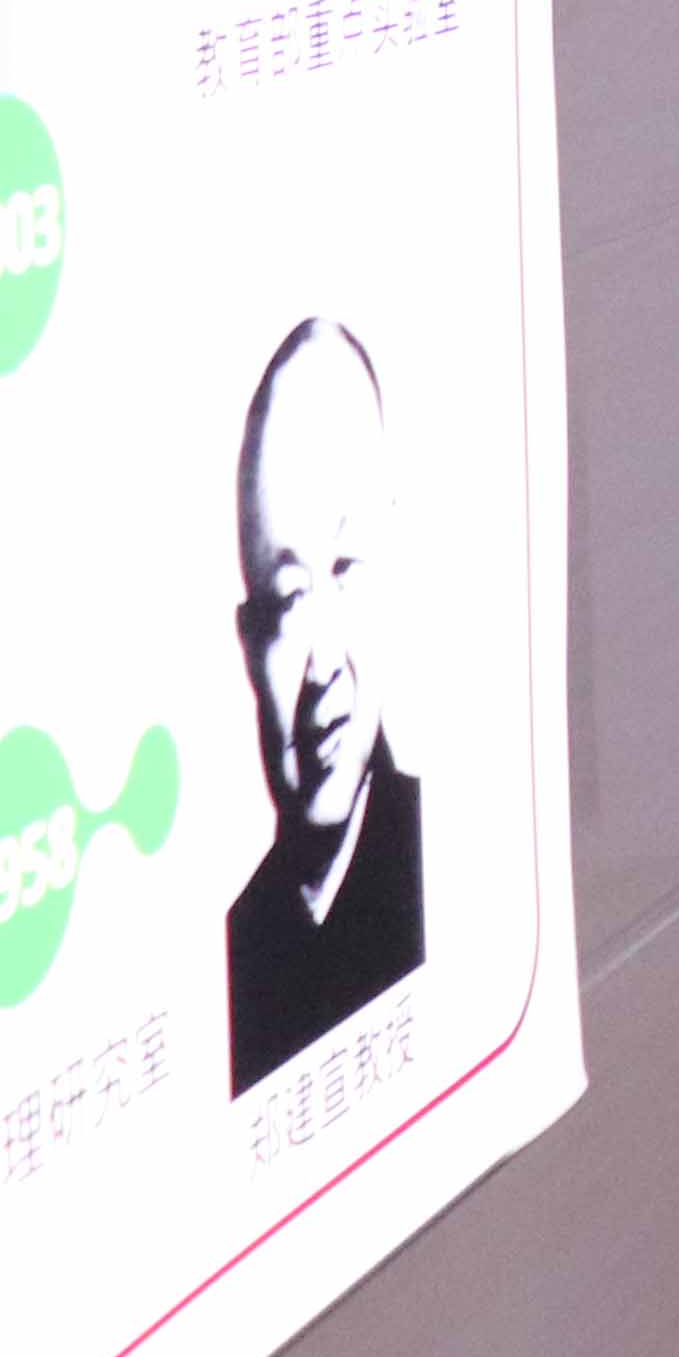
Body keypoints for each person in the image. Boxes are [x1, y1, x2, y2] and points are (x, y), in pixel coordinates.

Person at [225, 315, 430, 1093]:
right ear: (249, 642)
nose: (322, 663)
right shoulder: (235, 950)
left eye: (345, 569)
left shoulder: (438, 864)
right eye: (287, 599)